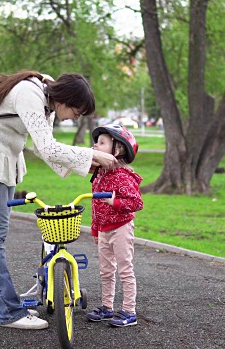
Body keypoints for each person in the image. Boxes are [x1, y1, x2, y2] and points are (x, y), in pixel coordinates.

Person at [0, 70, 118, 330]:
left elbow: (41, 147)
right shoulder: (30, 93)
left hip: (2, 155)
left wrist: (86, 163)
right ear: (66, 100)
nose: (74, 118)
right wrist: (93, 156)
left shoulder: (47, 98)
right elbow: (46, 147)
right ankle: (8, 312)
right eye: (76, 112)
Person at [86, 124, 144, 327]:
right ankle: (107, 306)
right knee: (106, 270)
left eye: (102, 142)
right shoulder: (99, 175)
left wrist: (115, 203)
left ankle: (129, 311)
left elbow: (137, 203)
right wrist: (95, 228)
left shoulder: (122, 177)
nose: (96, 144)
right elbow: (95, 204)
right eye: (97, 141)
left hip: (121, 228)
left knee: (124, 269)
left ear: (117, 150)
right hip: (104, 229)